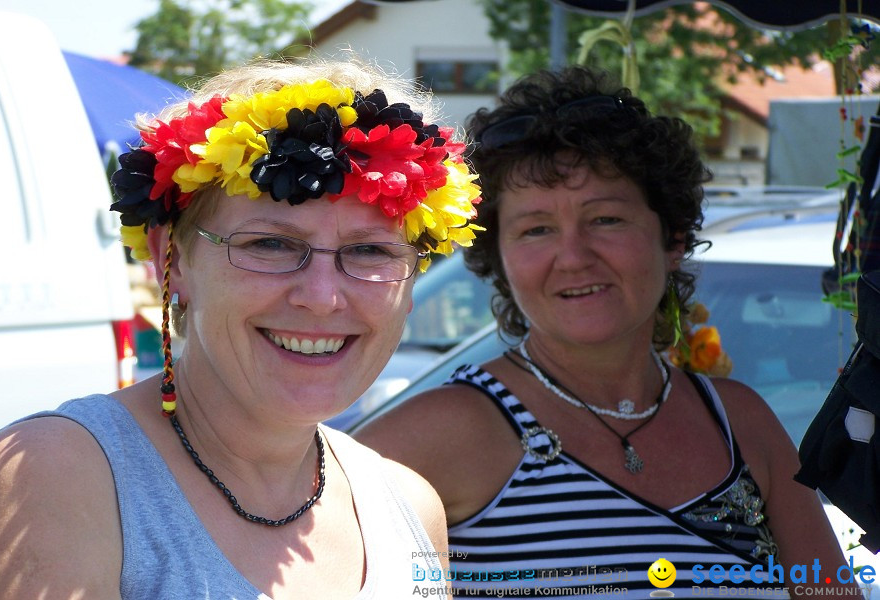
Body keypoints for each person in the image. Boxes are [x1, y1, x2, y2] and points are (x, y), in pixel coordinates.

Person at [0, 57, 483, 599]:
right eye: (270, 244)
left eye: (368, 251)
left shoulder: (408, 505)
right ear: (170, 256)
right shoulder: (60, 473)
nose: (321, 298)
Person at [356, 66, 861, 599]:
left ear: (673, 238)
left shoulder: (742, 423)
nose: (573, 257)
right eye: (537, 229)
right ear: (499, 261)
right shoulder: (432, 436)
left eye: (606, 220)